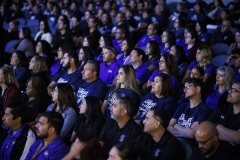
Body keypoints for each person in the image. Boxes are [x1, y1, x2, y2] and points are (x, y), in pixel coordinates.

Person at [208, 80, 240, 159]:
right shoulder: (222, 108)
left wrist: (216, 126)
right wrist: (230, 138)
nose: (229, 91)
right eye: (230, 89)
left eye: (234, 90)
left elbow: (237, 139)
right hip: (212, 150)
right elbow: (208, 126)